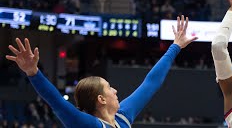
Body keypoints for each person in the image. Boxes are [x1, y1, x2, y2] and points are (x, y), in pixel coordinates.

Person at [6, 15, 198, 128]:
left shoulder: (122, 117)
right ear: (101, 99)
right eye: (108, 87)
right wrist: (33, 72)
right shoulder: (88, 125)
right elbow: (56, 102)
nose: (115, 90)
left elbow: (151, 83)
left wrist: (175, 47)